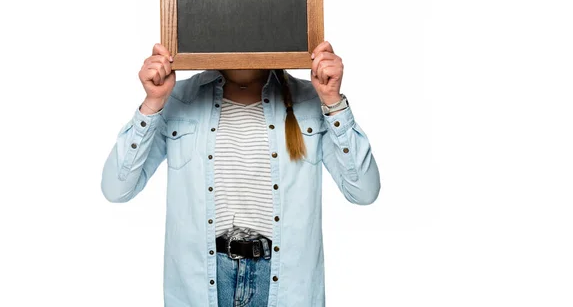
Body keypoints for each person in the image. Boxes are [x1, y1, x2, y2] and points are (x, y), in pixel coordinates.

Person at [101, 40, 381, 307]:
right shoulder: (177, 99)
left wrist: (333, 102)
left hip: (284, 284)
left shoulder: (311, 99)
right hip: (204, 282)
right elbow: (117, 188)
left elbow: (364, 191)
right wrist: (152, 104)